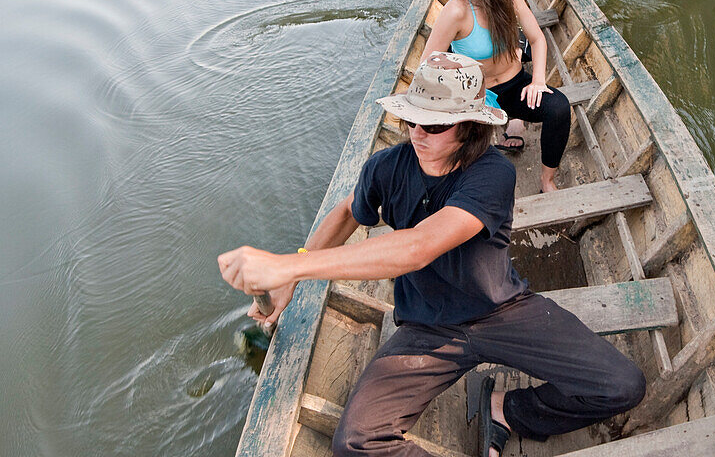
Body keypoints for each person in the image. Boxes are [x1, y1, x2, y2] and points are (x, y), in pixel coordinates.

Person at [217, 53, 646, 457]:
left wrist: (288, 266)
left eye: (434, 126)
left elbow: (419, 247)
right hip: (429, 326)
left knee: (623, 386)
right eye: (410, 120)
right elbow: (350, 209)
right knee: (355, 443)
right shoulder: (386, 167)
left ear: (468, 126)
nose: (418, 134)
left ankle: (507, 410)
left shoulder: (493, 173)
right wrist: (294, 272)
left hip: (500, 311)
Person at [427, 0, 570, 193]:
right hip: (473, 94)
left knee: (559, 109)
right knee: (459, 147)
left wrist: (538, 81)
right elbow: (430, 61)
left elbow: (537, 39)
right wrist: (465, 83)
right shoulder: (457, 10)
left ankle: (546, 180)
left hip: (514, 86)